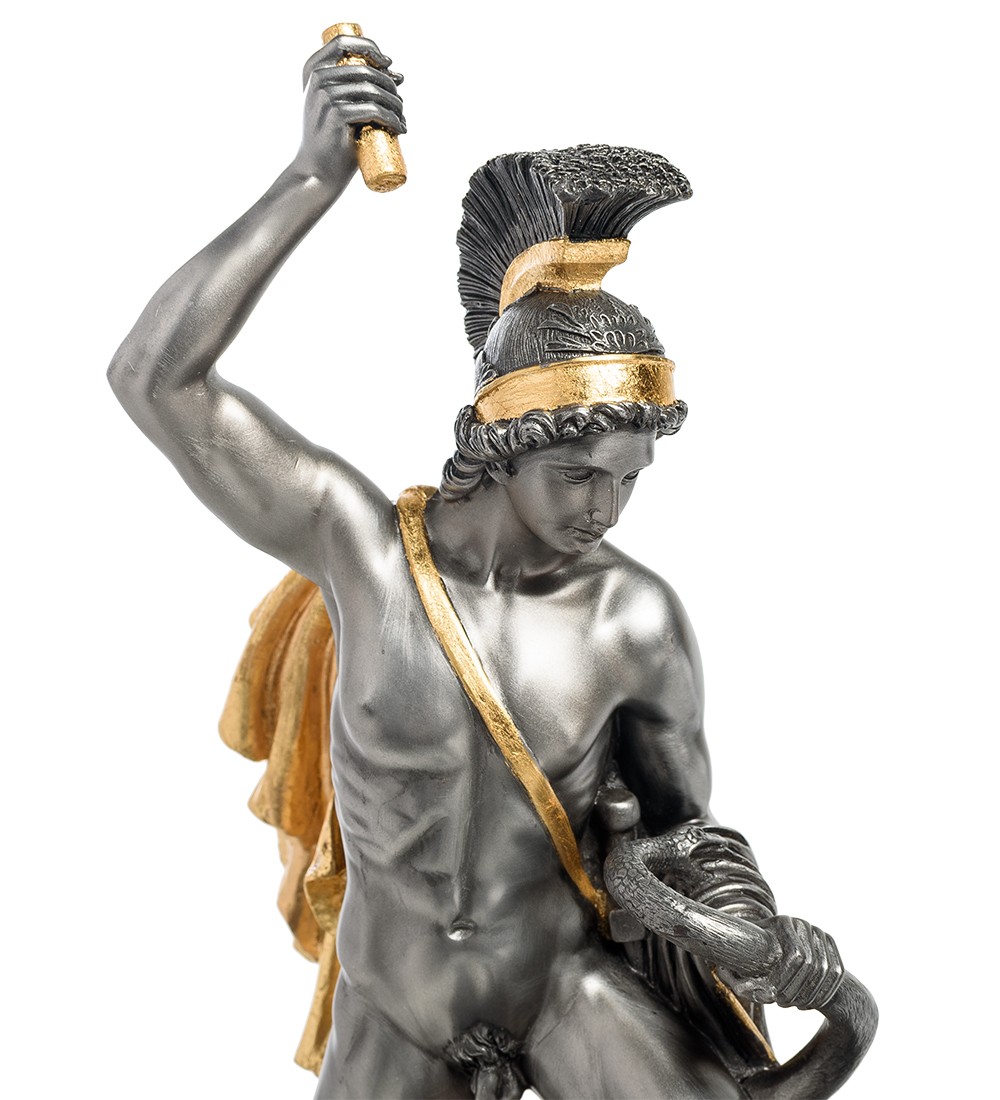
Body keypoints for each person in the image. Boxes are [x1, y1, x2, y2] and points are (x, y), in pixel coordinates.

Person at [108, 31, 871, 1100]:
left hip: (560, 990)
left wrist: (746, 926)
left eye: (630, 477)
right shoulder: (363, 554)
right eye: (577, 473)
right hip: (393, 1004)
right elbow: (155, 379)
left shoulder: (632, 621)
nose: (604, 507)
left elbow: (680, 832)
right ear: (500, 443)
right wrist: (308, 179)